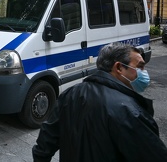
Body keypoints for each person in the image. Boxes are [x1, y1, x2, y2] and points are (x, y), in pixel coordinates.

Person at [32, 43, 167, 162]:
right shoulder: (130, 111)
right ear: (119, 68)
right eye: (140, 67)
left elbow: (44, 144)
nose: (144, 73)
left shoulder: (70, 94)